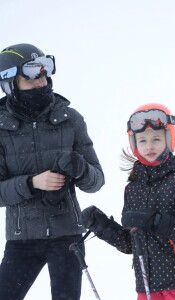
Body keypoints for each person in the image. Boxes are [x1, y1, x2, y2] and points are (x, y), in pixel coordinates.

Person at [0, 43, 105, 300]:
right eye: (31, 75)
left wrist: (81, 168)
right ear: (10, 82)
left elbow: (97, 182)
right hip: (22, 238)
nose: (41, 81)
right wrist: (32, 183)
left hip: (67, 236)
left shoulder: (70, 119)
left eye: (44, 73)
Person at [82, 103, 175, 300]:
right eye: (142, 140)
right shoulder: (133, 187)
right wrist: (102, 226)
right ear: (134, 144)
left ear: (169, 139)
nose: (149, 146)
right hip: (147, 283)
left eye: (156, 139)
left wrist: (158, 221)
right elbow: (131, 244)